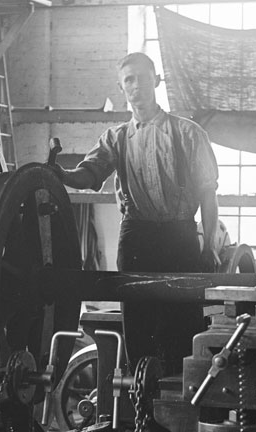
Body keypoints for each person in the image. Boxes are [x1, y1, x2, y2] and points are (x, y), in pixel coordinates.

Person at [53, 52, 220, 371]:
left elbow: (208, 194)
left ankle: (180, 388)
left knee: (182, 321)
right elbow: (88, 175)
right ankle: (140, 388)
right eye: (129, 79)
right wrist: (62, 175)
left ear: (156, 81)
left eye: (143, 77)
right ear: (121, 87)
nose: (136, 85)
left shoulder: (188, 133)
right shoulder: (115, 138)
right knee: (138, 321)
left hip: (180, 236)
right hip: (137, 237)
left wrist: (209, 245)